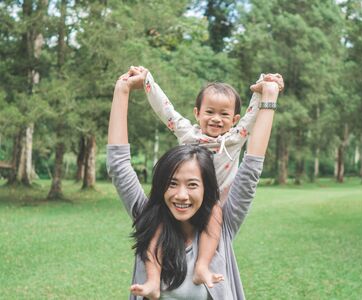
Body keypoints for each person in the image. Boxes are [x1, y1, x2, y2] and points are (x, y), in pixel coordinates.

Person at [107, 68, 282, 299]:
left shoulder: (223, 227)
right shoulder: (148, 218)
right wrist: (122, 90)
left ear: (206, 188)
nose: (181, 195)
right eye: (172, 183)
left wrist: (268, 96)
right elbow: (119, 165)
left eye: (192, 185)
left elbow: (251, 167)